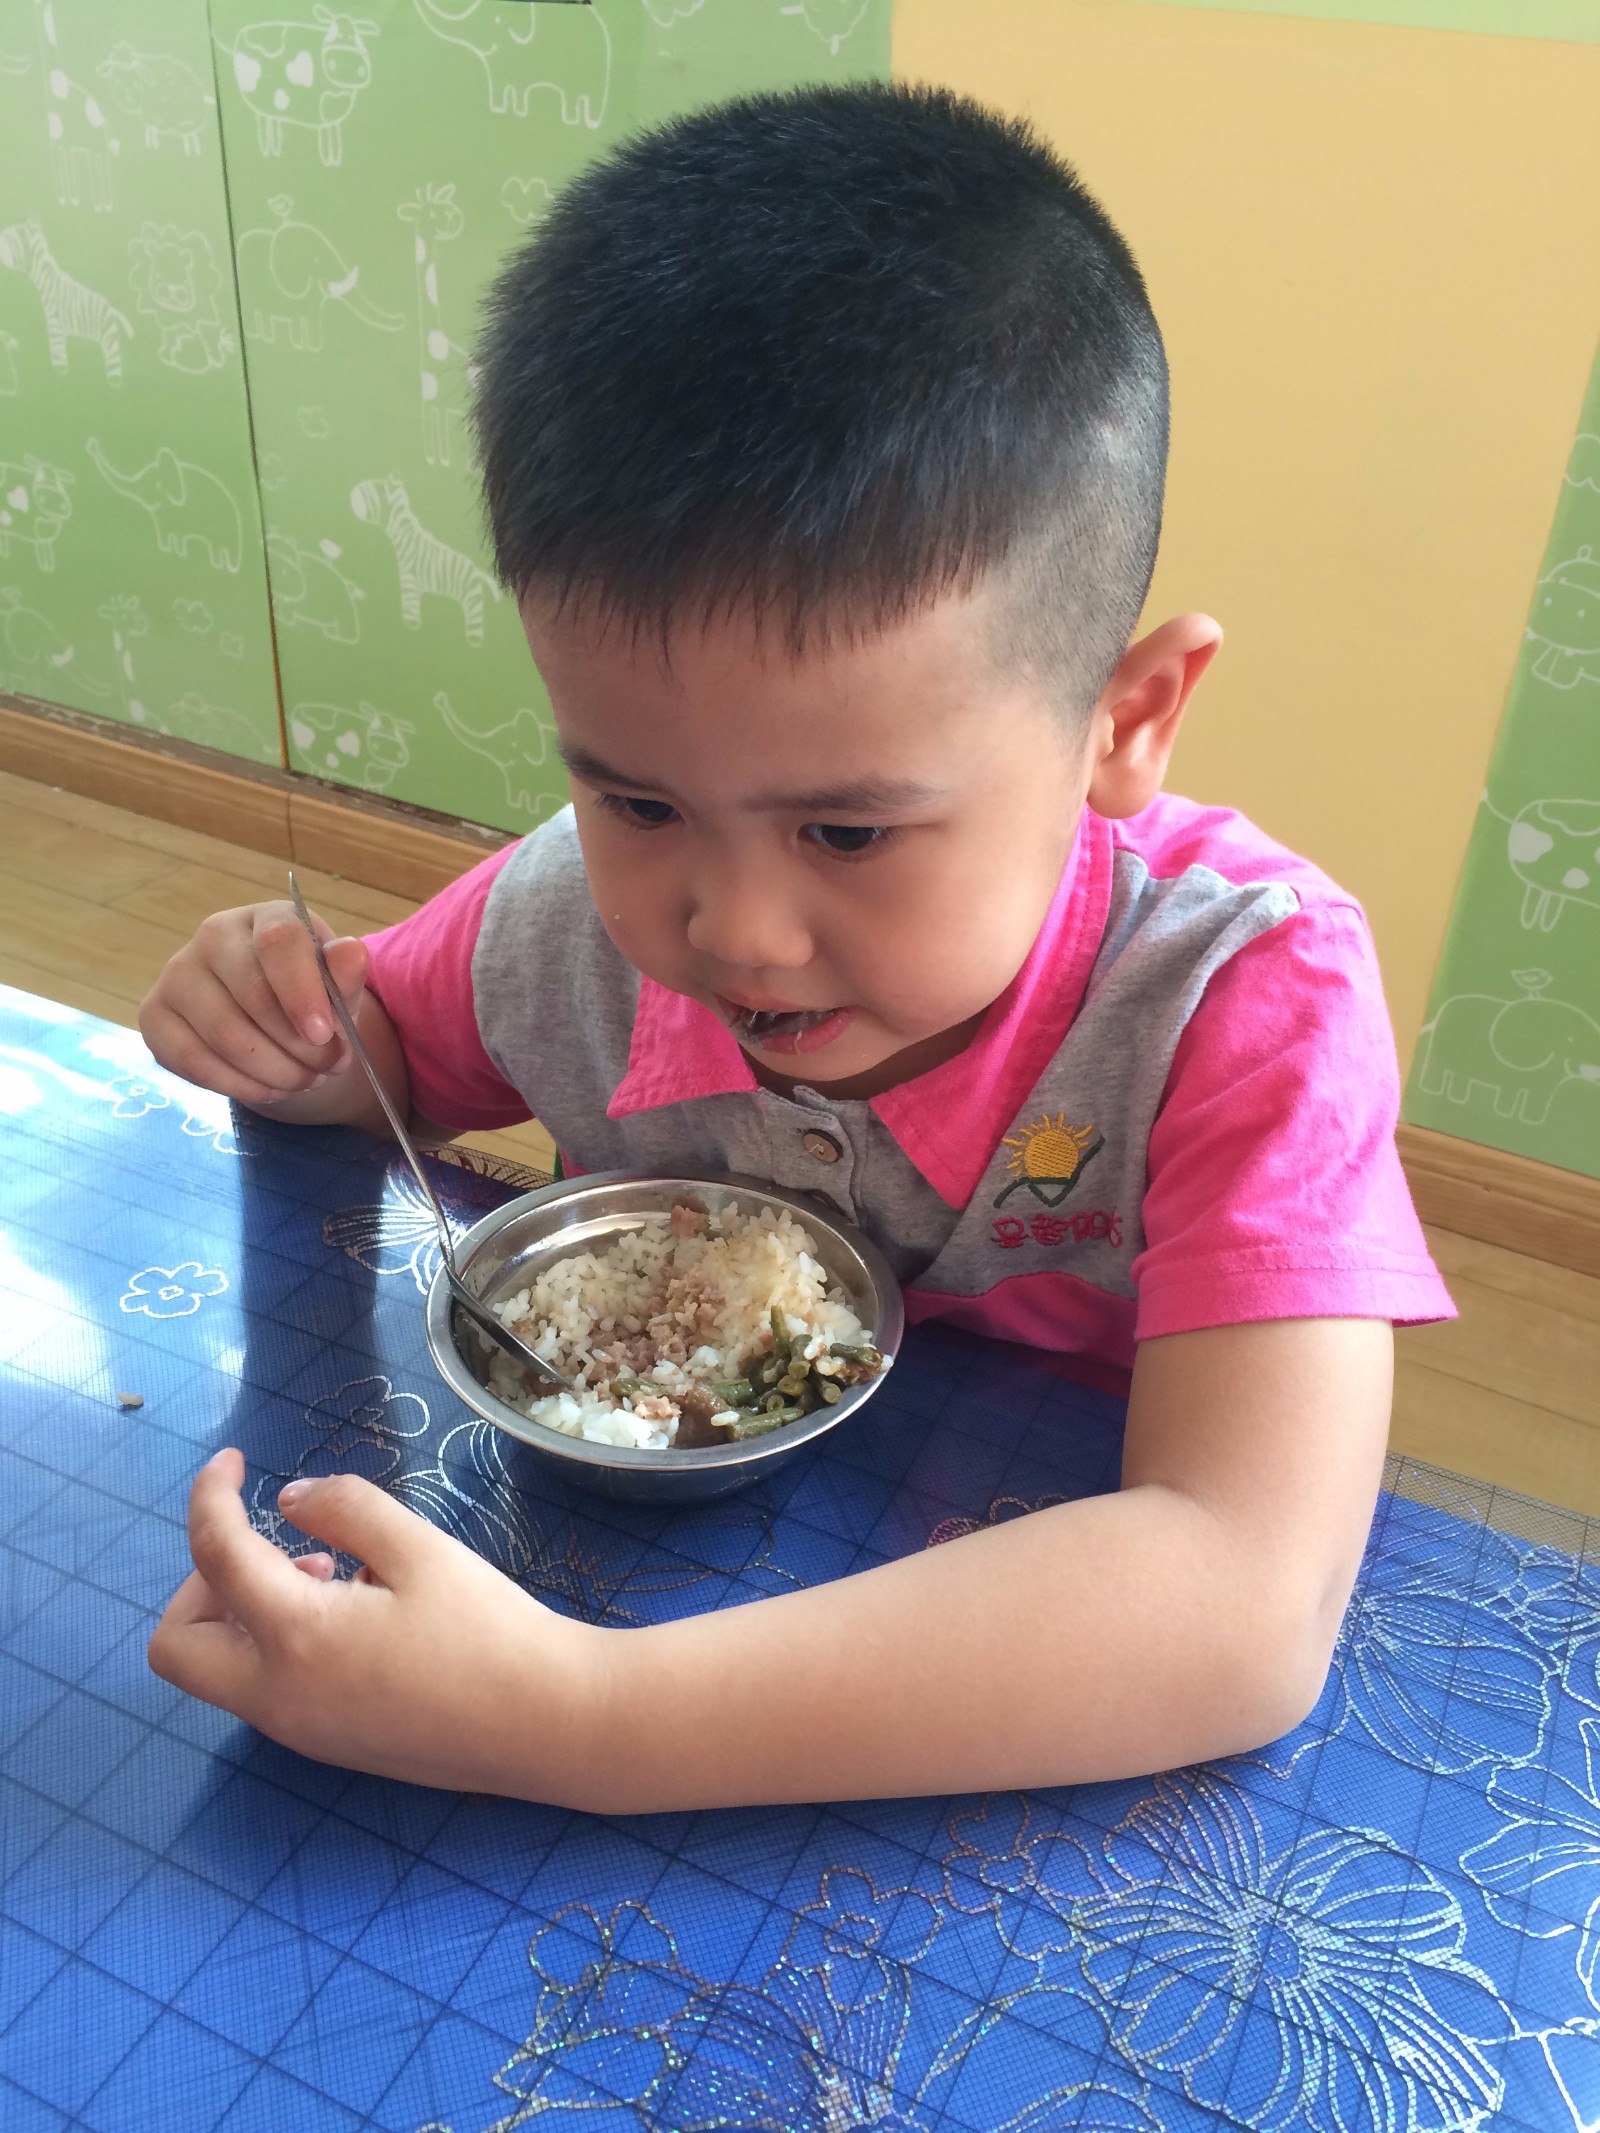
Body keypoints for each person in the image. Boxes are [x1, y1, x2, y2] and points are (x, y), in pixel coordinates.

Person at [140, 83, 1453, 1808]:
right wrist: (291, 1030)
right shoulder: (572, 921)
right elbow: (382, 1050)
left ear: (1125, 721)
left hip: (1036, 1673)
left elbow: (1241, 1601)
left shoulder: (1243, 1001)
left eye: (848, 831)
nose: (730, 929)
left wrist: (573, 1721)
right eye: (637, 798)